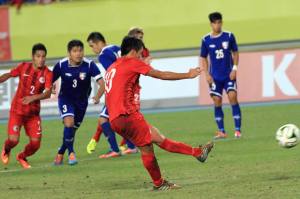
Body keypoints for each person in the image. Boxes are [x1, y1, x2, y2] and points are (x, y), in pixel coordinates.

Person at [105, 36, 214, 190]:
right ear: (134, 51)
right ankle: (160, 183)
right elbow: (161, 75)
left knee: (156, 138)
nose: (141, 57)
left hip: (115, 118)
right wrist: (187, 75)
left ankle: (197, 153)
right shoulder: (132, 62)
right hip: (126, 115)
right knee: (149, 146)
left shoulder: (113, 67)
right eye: (141, 53)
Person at [52, 39, 105, 165]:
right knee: (69, 123)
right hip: (66, 99)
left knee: (72, 130)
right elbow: (50, 79)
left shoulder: (90, 65)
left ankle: (60, 152)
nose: (78, 54)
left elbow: (102, 84)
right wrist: (51, 88)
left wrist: (97, 96)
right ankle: (71, 153)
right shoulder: (61, 65)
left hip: (81, 102)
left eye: (80, 50)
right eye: (75, 51)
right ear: (69, 53)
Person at [0, 43, 53, 169]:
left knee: (36, 144)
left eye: (43, 57)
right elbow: (9, 75)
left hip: (33, 114)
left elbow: (48, 93)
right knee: (13, 140)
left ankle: (22, 157)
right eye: (38, 56)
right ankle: (6, 149)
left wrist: (33, 98)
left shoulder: (47, 73)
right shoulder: (24, 67)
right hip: (17, 111)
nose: (41, 59)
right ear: (33, 57)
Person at [86, 32, 137, 158]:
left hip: (118, 91)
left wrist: (100, 95)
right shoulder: (115, 47)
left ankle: (115, 149)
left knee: (105, 119)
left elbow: (114, 73)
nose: (92, 49)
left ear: (98, 43)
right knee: (117, 119)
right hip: (127, 87)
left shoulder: (103, 55)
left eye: (92, 46)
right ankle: (130, 146)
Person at [200, 12, 242, 139]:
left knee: (232, 97)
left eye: (219, 22)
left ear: (221, 23)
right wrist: (206, 74)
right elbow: (203, 57)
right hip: (215, 77)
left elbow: (235, 52)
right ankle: (222, 131)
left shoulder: (229, 36)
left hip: (228, 75)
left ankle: (238, 130)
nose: (217, 25)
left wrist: (234, 69)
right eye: (215, 23)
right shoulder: (206, 39)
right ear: (211, 24)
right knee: (217, 101)